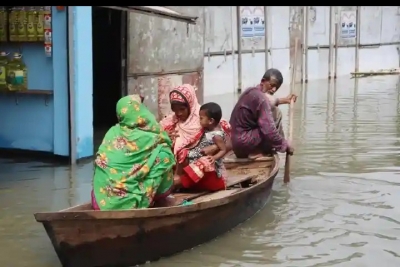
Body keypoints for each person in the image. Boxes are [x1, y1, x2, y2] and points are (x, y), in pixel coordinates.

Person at [91, 95, 176, 211]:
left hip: (101, 201)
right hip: (129, 204)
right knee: (165, 155)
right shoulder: (149, 136)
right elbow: (165, 141)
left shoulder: (112, 132)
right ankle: (147, 199)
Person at [160, 84, 231, 191]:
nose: (178, 113)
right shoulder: (170, 123)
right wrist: (165, 138)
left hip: (204, 171)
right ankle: (175, 182)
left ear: (190, 105)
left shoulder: (206, 119)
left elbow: (229, 143)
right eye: (175, 110)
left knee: (202, 164)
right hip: (178, 170)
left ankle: (176, 183)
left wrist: (215, 147)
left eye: (182, 109)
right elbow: (155, 138)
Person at [229, 68, 295, 159]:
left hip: (236, 145)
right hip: (245, 145)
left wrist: (285, 100)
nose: (274, 89)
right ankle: (258, 151)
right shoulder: (261, 99)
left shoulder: (251, 91)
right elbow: (269, 130)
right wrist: (285, 146)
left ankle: (275, 145)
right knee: (276, 114)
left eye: (277, 88)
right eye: (272, 85)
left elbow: (269, 101)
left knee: (274, 112)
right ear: (263, 81)